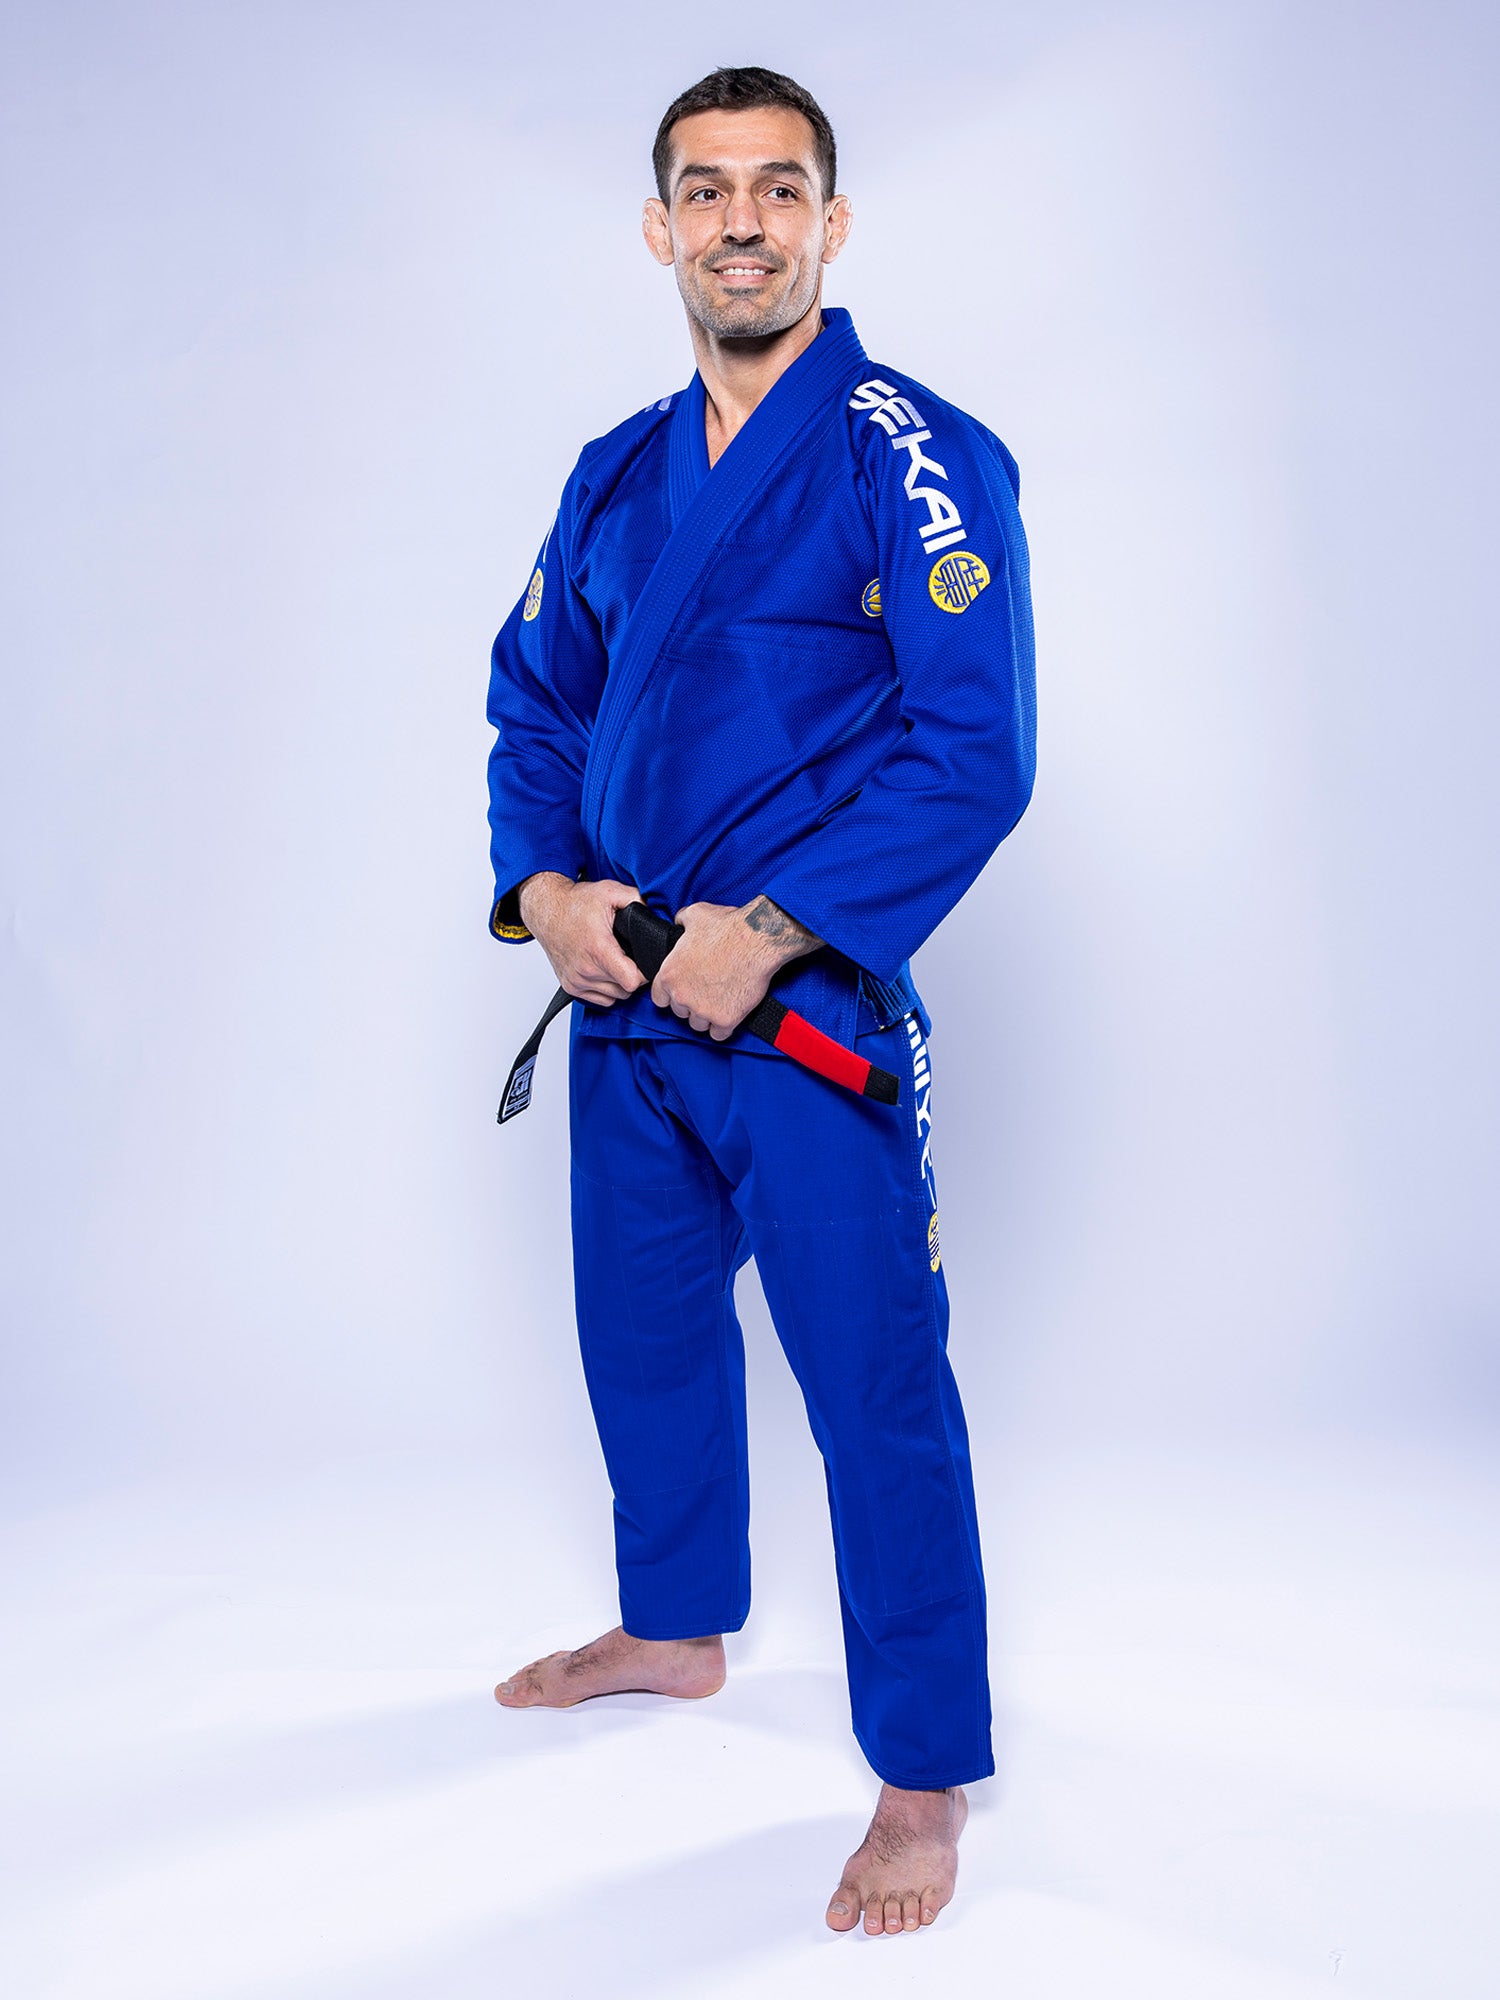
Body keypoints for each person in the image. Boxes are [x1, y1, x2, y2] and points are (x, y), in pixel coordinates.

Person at [485, 65, 1035, 1936]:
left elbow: (974, 751)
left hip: (801, 1015)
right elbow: (537, 701)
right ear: (661, 228)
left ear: (831, 225)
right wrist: (548, 892)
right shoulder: (616, 472)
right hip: (625, 996)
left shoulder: (913, 451)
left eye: (779, 189)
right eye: (708, 191)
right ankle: (674, 1624)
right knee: (639, 1338)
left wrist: (780, 928)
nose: (743, 222)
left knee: (874, 1385)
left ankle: (923, 1773)